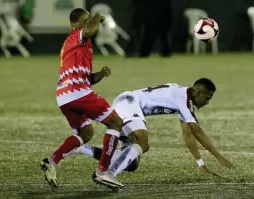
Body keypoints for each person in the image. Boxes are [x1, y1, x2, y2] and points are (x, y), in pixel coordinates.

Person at [68, 78, 234, 188]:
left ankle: (80, 149)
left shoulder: (184, 99)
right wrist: (218, 157)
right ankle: (106, 174)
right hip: (130, 103)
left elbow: (188, 134)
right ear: (198, 92)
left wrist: (201, 163)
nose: (207, 103)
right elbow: (197, 132)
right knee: (143, 143)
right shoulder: (182, 99)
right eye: (206, 98)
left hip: (127, 102)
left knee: (131, 164)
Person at [40, 8, 124, 189]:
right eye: (83, 21)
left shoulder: (82, 45)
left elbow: (86, 79)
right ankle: (103, 172)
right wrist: (97, 17)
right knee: (116, 122)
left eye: (88, 20)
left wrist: (100, 74)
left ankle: (51, 161)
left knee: (86, 133)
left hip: (65, 97)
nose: (87, 24)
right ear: (74, 25)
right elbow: (90, 29)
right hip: (77, 93)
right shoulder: (75, 36)